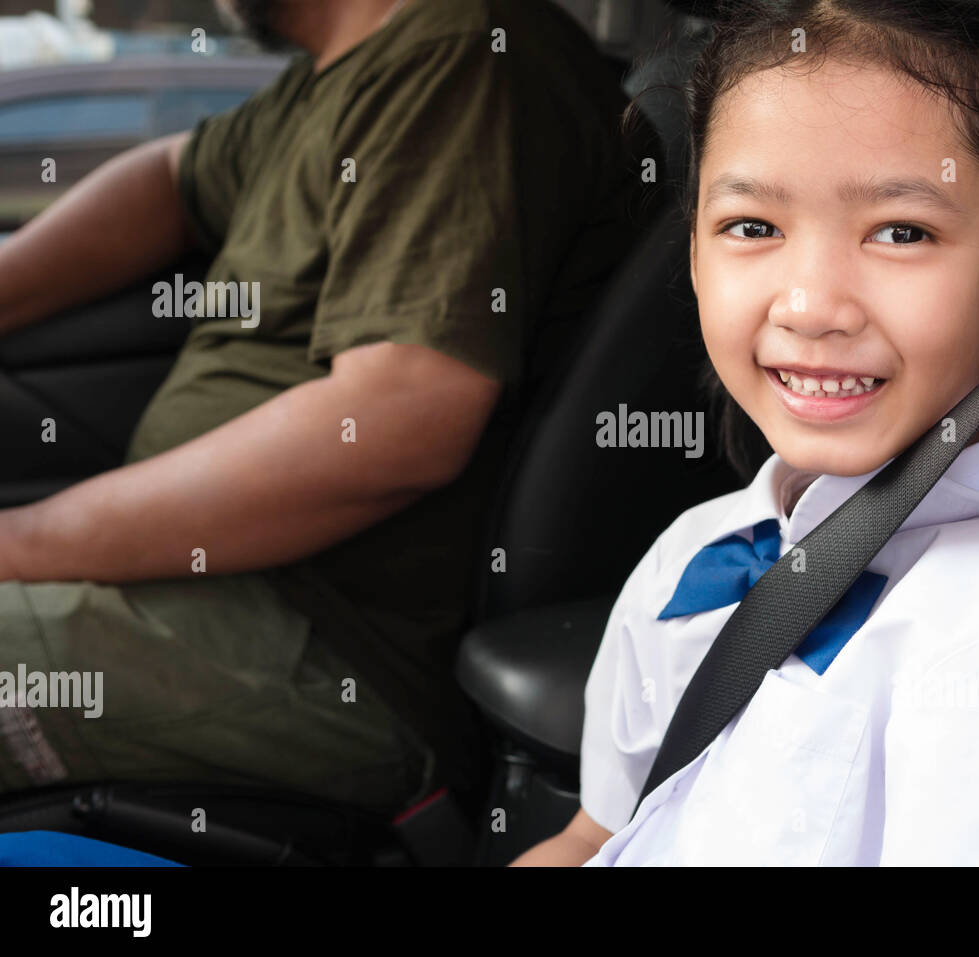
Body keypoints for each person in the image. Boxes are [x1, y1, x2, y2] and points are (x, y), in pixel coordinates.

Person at [511, 0, 979, 866]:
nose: (812, 306)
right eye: (753, 227)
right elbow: (595, 837)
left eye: (902, 232)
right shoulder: (697, 552)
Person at [0, 0, 664, 821]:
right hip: (218, 596)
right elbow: (173, 180)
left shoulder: (459, 57)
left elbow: (400, 419)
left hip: (323, 647)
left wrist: (26, 541)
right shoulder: (323, 85)